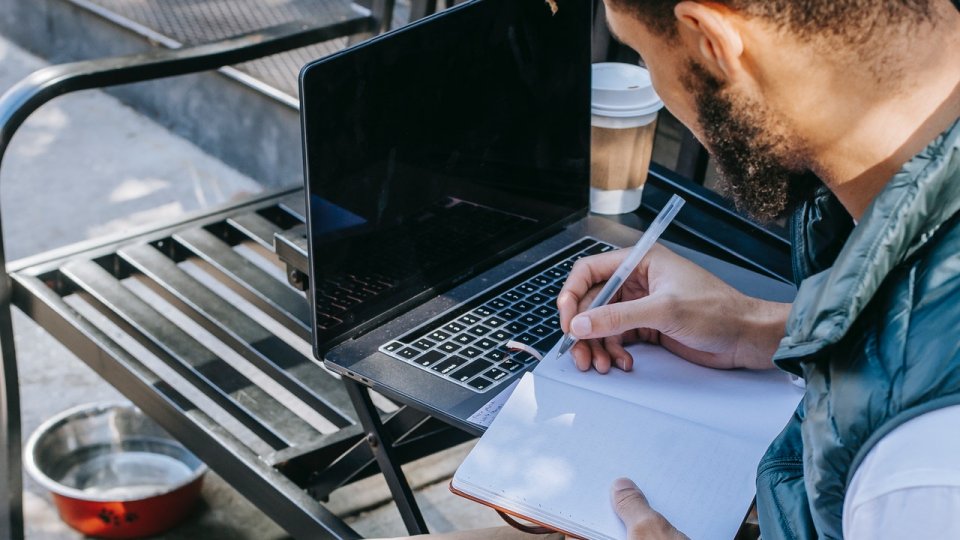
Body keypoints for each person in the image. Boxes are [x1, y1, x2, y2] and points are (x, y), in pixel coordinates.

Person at [390, 0, 959, 537]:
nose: (655, 87)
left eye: (641, 54)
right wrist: (762, 326)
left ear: (712, 41)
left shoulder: (923, 479)